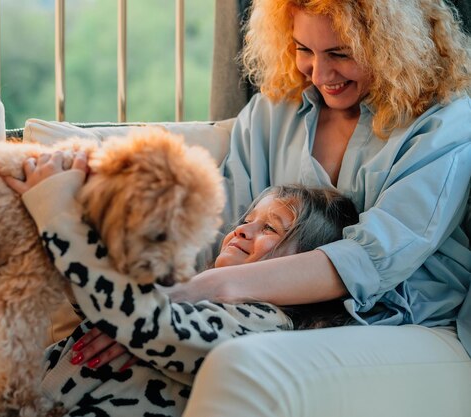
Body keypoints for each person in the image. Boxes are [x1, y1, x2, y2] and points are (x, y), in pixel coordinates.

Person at [0, 158, 359, 417]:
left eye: (271, 228)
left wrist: (57, 211)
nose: (242, 230)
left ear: (309, 267)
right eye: (245, 219)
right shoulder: (186, 293)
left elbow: (142, 322)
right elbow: (105, 297)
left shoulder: (265, 328)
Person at [164, 0, 471, 416]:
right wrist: (153, 312)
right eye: (304, 49)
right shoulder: (272, 113)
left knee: (241, 365)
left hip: (407, 322)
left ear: (392, 45)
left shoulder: (445, 122)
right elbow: (216, 230)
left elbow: (370, 259)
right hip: (272, 313)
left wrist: (204, 291)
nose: (320, 74)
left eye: (341, 54)